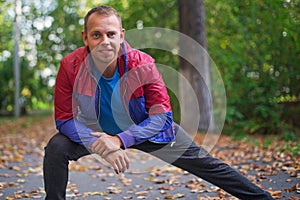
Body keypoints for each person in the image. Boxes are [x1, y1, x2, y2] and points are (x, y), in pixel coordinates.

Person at [43, 5, 274, 200]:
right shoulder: (70, 66)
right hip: (97, 134)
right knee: (56, 148)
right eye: (96, 35)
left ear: (121, 35)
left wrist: (119, 140)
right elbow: (64, 119)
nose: (105, 41)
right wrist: (102, 146)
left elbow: (161, 117)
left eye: (111, 34)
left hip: (145, 129)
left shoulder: (142, 63)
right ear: (85, 37)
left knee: (207, 163)